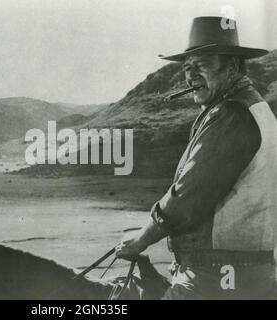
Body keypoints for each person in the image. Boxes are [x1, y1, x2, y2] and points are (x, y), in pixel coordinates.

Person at [115, 16, 277, 299]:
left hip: (215, 277)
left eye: (201, 66)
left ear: (232, 67)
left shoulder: (231, 114)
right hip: (246, 272)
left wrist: (141, 239)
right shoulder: (252, 107)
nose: (190, 77)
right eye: (187, 68)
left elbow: (188, 195)